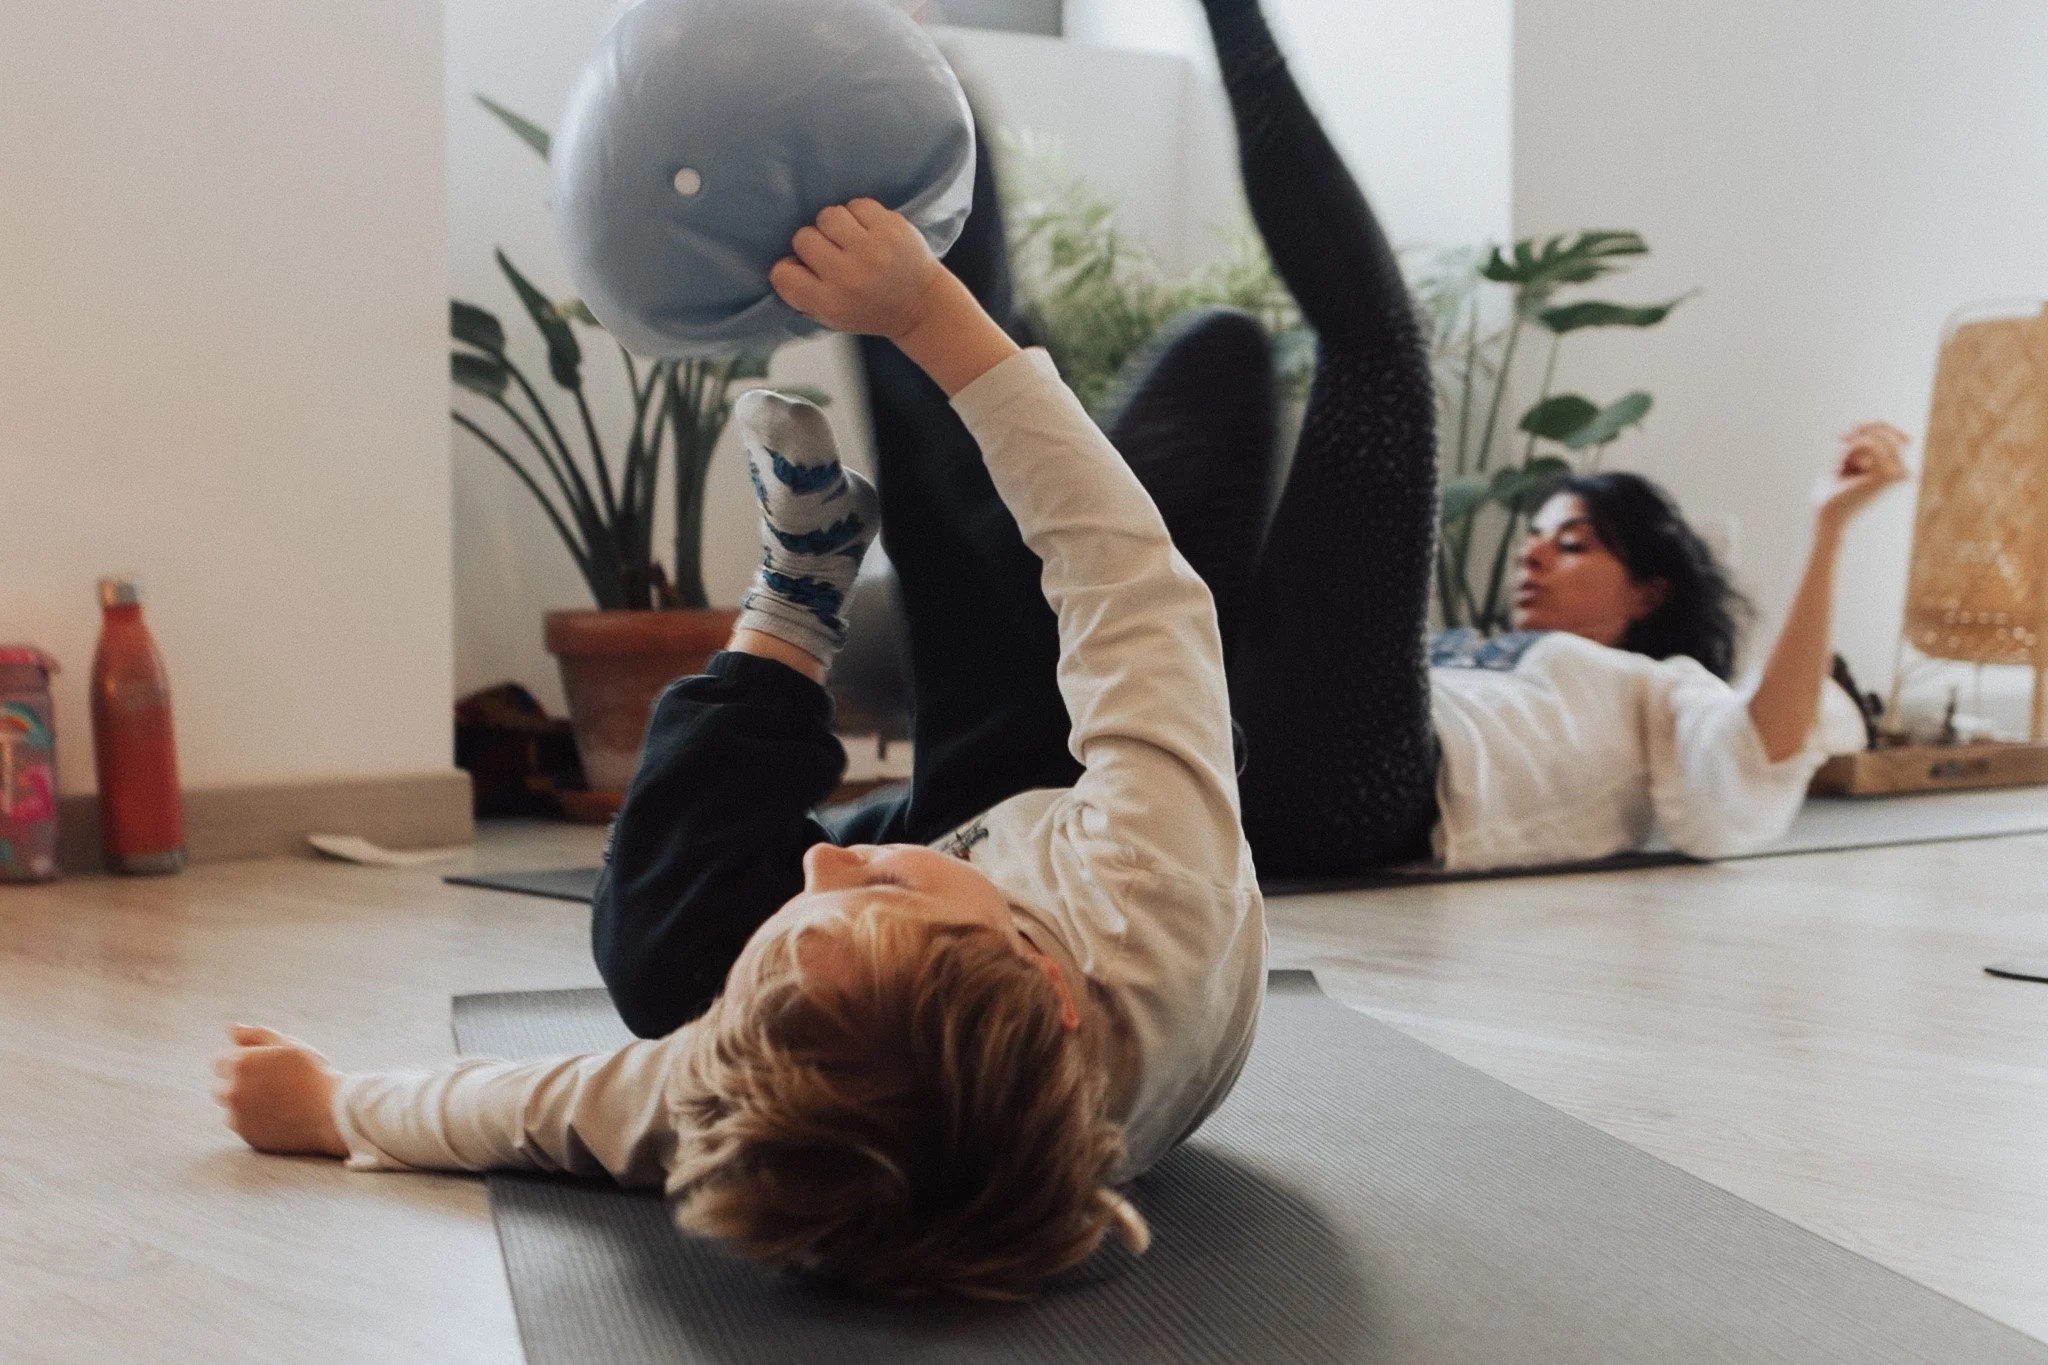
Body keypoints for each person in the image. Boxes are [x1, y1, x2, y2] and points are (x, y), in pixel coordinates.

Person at [213, 191, 1264, 1295]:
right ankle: (951, 242)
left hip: (969, 872)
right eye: (872, 895)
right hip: (1057, 799)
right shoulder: (1150, 869)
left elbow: (547, 1105)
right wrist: (922, 312)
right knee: (1007, 586)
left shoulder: (745, 1075)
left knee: (657, 953)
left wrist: (335, 1108)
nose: (821, 862)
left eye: (802, 915)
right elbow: (1128, 581)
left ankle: (803, 594)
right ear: (1044, 986)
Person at [859, 0, 1900, 880]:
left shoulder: (1663, 696)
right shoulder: (1461, 651)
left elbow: (1768, 753)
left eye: (1575, 542)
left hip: (1351, 795)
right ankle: (893, 178)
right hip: (1159, 747)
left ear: (1649, 595)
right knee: (1209, 365)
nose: (1534, 551)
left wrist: (1828, 532)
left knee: (1382, 357)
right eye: (1538, 534)